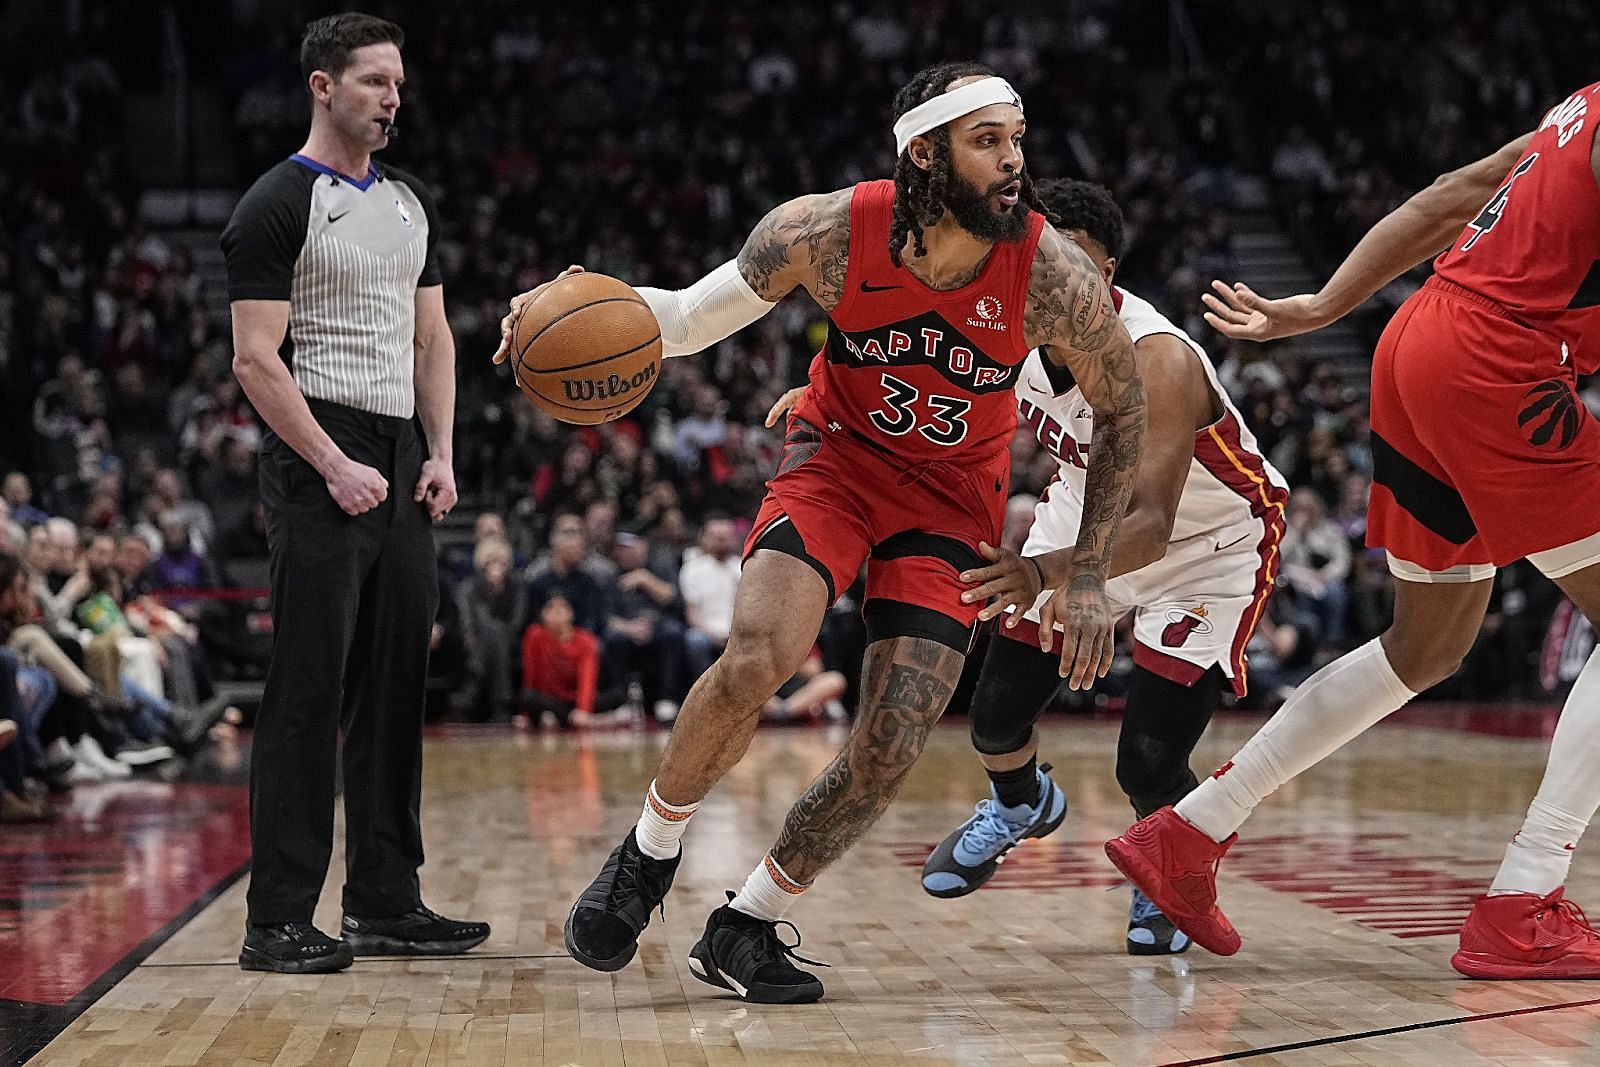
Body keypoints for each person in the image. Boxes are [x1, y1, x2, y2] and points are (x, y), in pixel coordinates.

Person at [496, 61, 1145, 1003]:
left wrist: (1086, 572)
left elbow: (1124, 412)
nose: (1015, 161)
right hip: (837, 459)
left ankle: (746, 920)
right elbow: (680, 318)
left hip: (950, 502)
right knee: (760, 653)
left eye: (1018, 139)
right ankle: (647, 855)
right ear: (925, 152)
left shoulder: (1049, 272)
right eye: (989, 141)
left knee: (892, 735)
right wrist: (562, 305)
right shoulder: (828, 232)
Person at [1107, 81, 1600, 979]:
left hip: (1418, 343)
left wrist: (1326, 303)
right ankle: (1524, 896)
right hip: (1499, 367)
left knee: (1428, 644)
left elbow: (1458, 191)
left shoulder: (1584, 106)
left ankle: (1192, 829)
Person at [772, 179, 1287, 954]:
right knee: (995, 715)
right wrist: (828, 400)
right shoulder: (1007, 319)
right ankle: (1021, 803)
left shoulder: (1159, 359)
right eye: (1044, 266)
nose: (1058, 287)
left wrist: (1054, 577)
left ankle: (1170, 872)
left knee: (1149, 759)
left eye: (1077, 270)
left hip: (1207, 545)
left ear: (1108, 273)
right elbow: (907, 362)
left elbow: (1152, 520)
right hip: (1084, 512)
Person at [221, 12, 486, 973]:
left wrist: (443, 451)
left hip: (401, 453)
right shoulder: (276, 203)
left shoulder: (411, 205)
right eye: (375, 82)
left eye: (400, 86)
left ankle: (384, 899)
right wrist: (332, 462)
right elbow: (256, 362)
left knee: (393, 687)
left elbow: (434, 340)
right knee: (307, 690)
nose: (393, 99)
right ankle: (277, 918)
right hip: (316, 453)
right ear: (323, 85)